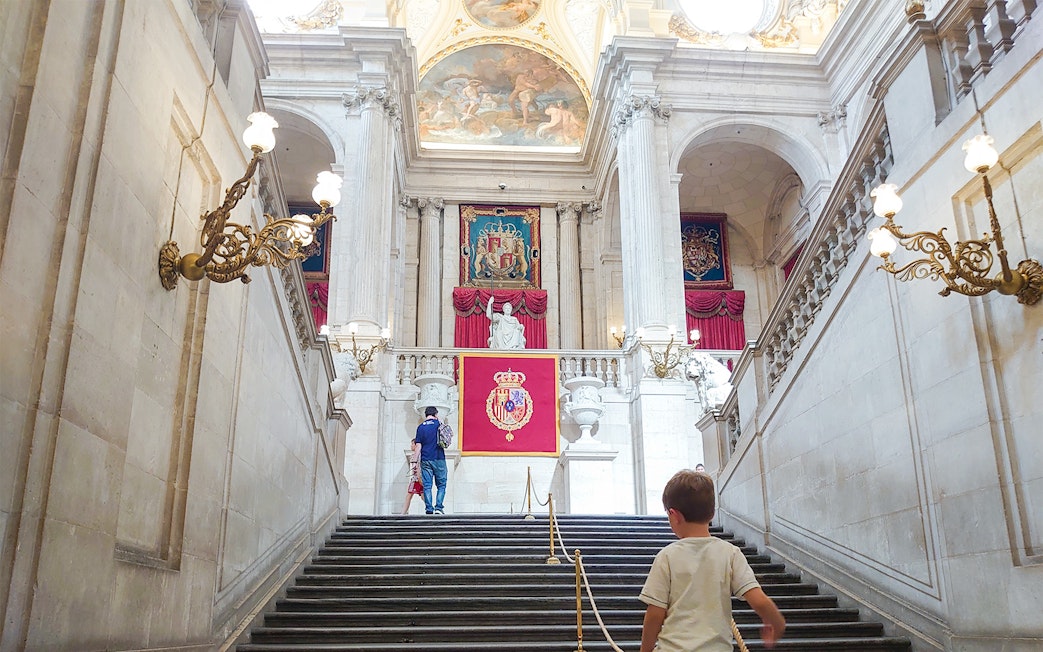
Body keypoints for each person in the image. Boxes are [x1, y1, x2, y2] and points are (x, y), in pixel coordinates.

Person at [640, 470, 785, 652]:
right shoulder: (730, 553)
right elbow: (759, 600)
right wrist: (776, 622)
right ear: (711, 513)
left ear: (674, 515)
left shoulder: (666, 557)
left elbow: (655, 614)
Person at [415, 406, 447, 514]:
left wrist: (415, 460)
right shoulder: (439, 424)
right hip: (439, 458)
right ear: (435, 414)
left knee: (427, 485)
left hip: (425, 459)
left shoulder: (420, 427)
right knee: (441, 485)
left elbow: (418, 446)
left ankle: (429, 508)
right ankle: (438, 508)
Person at [401, 437, 423, 514]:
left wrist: (419, 476)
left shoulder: (418, 455)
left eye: (412, 444)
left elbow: (418, 466)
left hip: (417, 478)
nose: (411, 446)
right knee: (422, 496)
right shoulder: (417, 455)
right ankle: (431, 509)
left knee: (409, 495)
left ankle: (402, 513)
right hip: (417, 478)